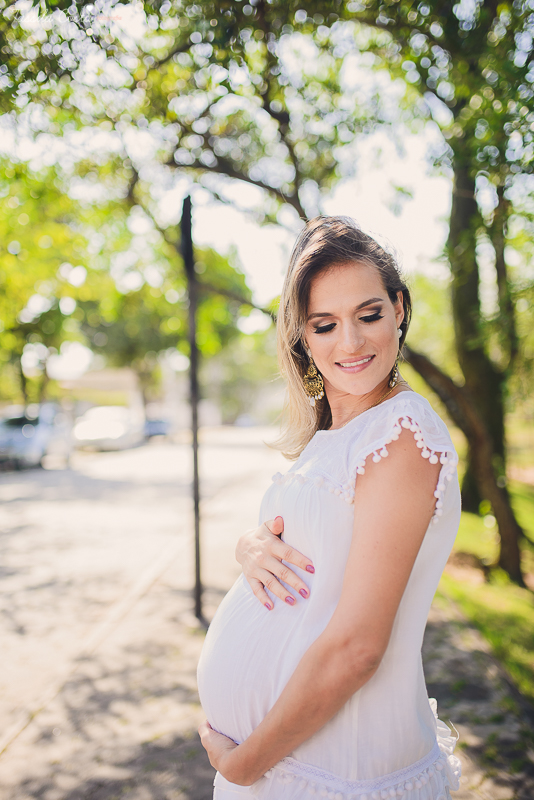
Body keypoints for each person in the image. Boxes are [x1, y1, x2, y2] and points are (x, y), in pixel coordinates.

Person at [197, 216, 462, 800]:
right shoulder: (342, 433)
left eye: (369, 314)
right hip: (299, 766)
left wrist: (245, 765)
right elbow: (317, 547)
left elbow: (358, 647)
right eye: (325, 324)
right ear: (303, 336)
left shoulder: (400, 432)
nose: (350, 343)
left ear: (398, 308)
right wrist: (249, 546)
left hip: (336, 771)